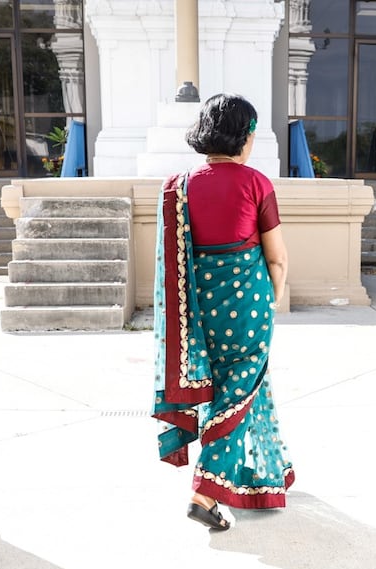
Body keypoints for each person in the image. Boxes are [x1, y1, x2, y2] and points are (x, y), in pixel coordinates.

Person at [152, 93, 293, 532]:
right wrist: (270, 300)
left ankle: (252, 479)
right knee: (238, 394)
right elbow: (277, 259)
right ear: (245, 137)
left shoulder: (179, 185)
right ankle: (206, 492)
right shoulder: (256, 183)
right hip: (248, 306)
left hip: (196, 312)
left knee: (224, 392)